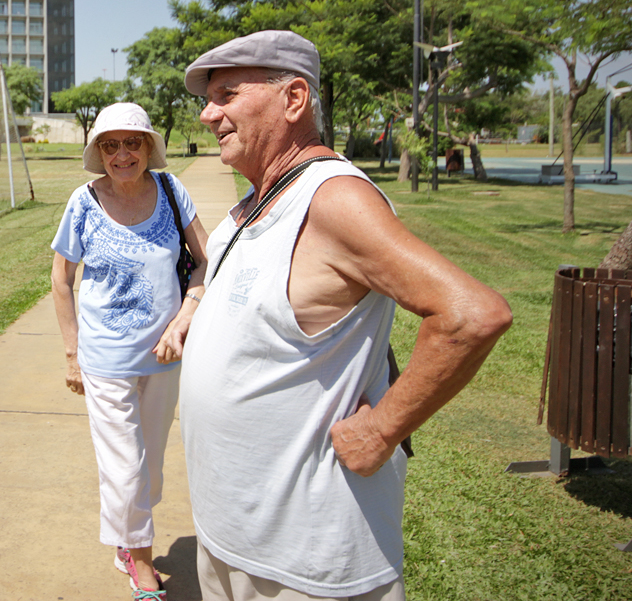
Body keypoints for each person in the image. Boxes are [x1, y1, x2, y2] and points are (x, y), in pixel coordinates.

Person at [177, 30, 512, 601]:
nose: (209, 114)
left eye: (228, 94)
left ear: (294, 99)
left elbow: (471, 314)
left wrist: (382, 429)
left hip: (305, 561)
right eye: (208, 99)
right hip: (228, 537)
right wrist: (196, 312)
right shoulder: (249, 206)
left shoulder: (333, 200)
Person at [51, 102, 209, 601]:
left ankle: (127, 534)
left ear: (148, 148)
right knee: (125, 466)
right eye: (111, 145)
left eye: (133, 143)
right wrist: (72, 354)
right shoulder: (83, 202)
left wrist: (185, 318)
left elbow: (206, 261)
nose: (123, 154)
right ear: (99, 151)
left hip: (165, 357)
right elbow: (61, 279)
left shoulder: (170, 190)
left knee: (152, 465)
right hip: (105, 360)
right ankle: (141, 562)